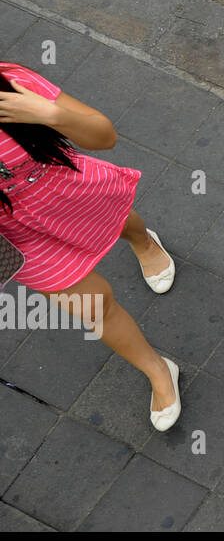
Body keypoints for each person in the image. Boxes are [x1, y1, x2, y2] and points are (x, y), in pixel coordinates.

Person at [0, 61, 181, 431]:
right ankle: (159, 369)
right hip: (17, 240)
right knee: (93, 307)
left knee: (120, 223)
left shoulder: (10, 83)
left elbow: (104, 136)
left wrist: (47, 113)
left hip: (65, 193)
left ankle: (145, 244)